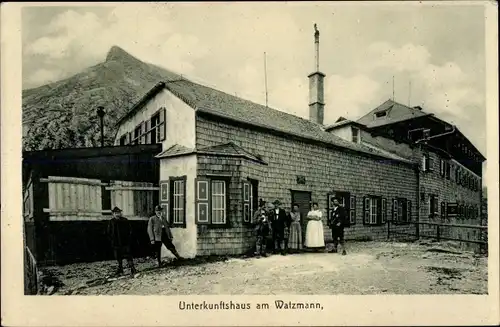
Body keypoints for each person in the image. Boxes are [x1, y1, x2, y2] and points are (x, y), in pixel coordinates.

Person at [107, 206, 137, 276]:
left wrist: (128, 239)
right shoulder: (111, 222)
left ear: (120, 213)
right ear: (113, 214)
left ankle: (132, 268)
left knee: (128, 255)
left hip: (125, 242)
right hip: (116, 243)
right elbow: (109, 232)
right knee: (118, 256)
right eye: (115, 213)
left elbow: (130, 230)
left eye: (118, 213)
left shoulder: (125, 220)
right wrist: (112, 240)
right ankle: (120, 269)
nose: (117, 214)